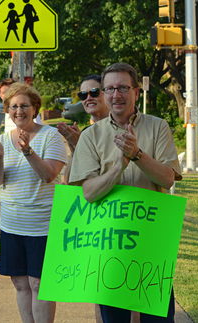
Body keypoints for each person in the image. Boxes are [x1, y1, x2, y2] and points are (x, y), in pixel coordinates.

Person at [69, 63, 182, 323]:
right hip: (110, 244)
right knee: (114, 318)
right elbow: (89, 193)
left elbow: (167, 178)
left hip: (152, 241)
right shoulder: (91, 136)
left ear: (136, 92)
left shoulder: (158, 127)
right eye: (109, 89)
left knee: (159, 318)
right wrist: (119, 165)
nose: (115, 94)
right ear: (104, 94)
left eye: (122, 88)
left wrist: (137, 155)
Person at [0, 83, 67, 323]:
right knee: (20, 283)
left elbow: (49, 175)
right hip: (11, 225)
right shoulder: (2, 140)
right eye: (14, 107)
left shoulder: (50, 136)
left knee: (39, 284)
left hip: (42, 226)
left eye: (24, 106)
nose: (19, 111)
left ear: (35, 108)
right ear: (8, 111)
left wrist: (28, 151)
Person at [57, 74, 109, 184]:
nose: (88, 98)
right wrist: (75, 148)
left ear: (106, 93)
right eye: (83, 95)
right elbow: (68, 181)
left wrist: (81, 145)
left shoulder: (121, 128)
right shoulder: (86, 132)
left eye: (94, 92)